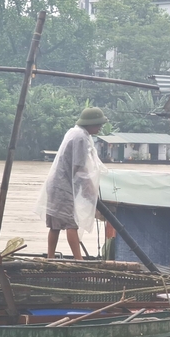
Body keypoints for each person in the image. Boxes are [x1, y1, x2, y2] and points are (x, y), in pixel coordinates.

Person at [35, 107, 107, 260]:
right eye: (98, 124)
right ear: (90, 123)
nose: (100, 127)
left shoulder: (75, 132)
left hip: (57, 184)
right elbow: (79, 168)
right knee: (71, 224)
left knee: (55, 225)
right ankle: (78, 260)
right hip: (63, 186)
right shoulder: (80, 137)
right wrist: (89, 190)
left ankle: (50, 258)